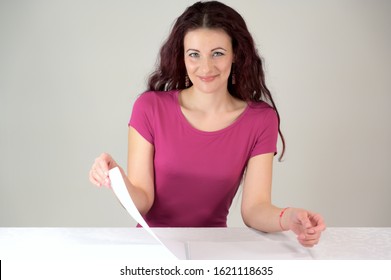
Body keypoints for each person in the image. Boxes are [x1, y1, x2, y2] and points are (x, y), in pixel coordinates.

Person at [89, 1, 325, 247]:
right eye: (194, 54)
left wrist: (289, 218)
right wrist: (115, 175)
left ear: (235, 54)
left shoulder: (260, 119)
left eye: (218, 53)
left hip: (214, 250)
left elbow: (255, 208)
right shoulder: (149, 108)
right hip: (151, 248)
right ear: (182, 56)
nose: (206, 67)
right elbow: (142, 201)